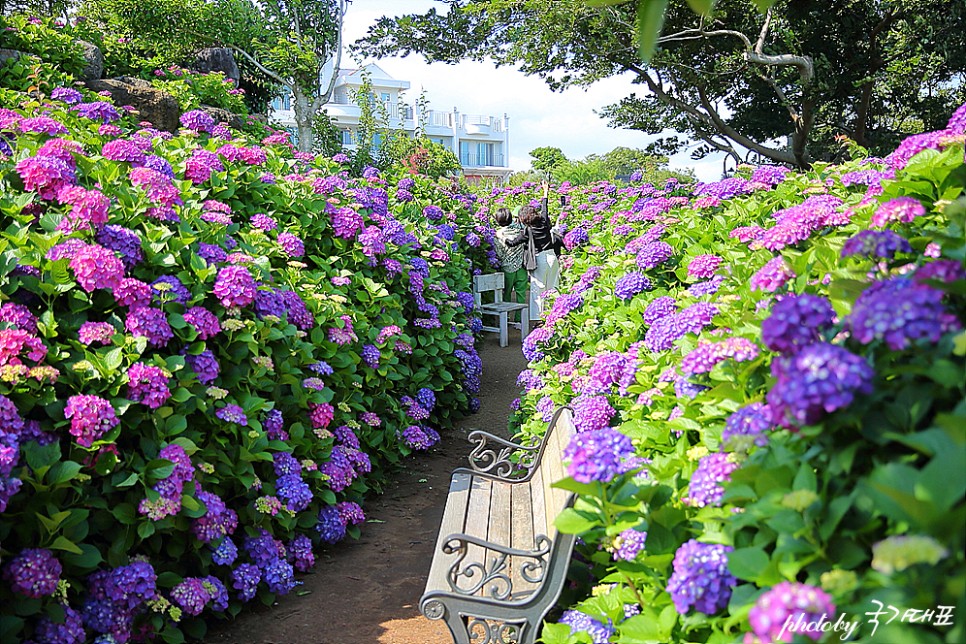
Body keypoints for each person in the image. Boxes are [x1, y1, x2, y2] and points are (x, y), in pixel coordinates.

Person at [506, 181, 562, 319]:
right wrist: (545, 191)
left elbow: (513, 243)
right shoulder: (543, 221)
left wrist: (504, 238)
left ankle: (538, 320)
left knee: (538, 290)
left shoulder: (527, 231)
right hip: (552, 257)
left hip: (540, 260)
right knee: (553, 288)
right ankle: (555, 317)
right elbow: (544, 207)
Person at [492, 207, 528, 323]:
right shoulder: (520, 230)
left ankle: (506, 319)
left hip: (507, 268)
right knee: (521, 295)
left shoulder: (498, 234)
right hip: (522, 267)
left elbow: (499, 253)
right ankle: (519, 320)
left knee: (506, 294)